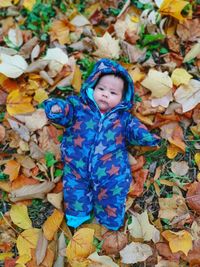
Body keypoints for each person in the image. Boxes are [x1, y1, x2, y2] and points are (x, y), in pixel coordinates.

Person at [43, 58, 160, 230]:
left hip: (111, 170)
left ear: (122, 99)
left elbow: (134, 130)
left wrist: (145, 136)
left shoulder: (123, 119)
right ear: (92, 88)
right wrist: (57, 109)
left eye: (113, 93)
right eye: (101, 89)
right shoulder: (78, 107)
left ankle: (110, 218)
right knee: (74, 190)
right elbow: (65, 113)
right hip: (77, 166)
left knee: (114, 192)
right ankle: (77, 214)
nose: (105, 94)